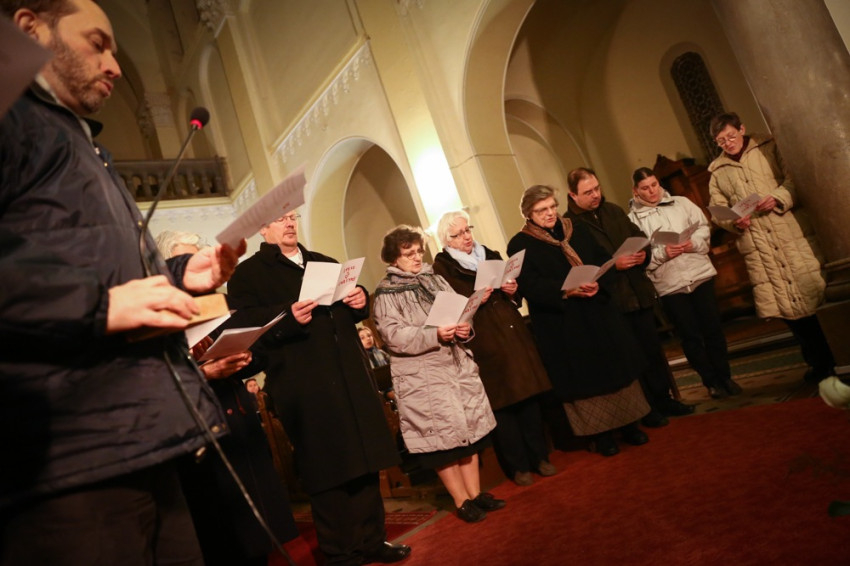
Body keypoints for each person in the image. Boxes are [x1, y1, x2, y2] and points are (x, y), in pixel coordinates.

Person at [0, 1, 246, 564]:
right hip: (64, 456)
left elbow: (91, 264)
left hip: (139, 433)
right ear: (30, 29)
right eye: (98, 43)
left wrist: (181, 276)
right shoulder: (12, 118)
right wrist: (96, 306)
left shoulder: (81, 144)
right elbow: (98, 296)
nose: (114, 64)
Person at [225, 210, 409, 565]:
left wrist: (359, 300)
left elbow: (347, 306)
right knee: (328, 468)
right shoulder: (248, 274)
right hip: (303, 383)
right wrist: (288, 316)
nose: (289, 223)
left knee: (366, 460)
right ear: (263, 228)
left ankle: (373, 540)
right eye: (280, 218)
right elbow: (246, 326)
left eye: (292, 216)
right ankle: (341, 552)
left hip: (349, 374)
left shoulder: (322, 261)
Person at [158, 232, 299, 566]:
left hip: (239, 421)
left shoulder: (220, 304)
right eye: (183, 261)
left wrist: (247, 357)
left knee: (257, 524)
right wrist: (206, 372)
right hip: (197, 429)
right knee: (220, 530)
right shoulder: (161, 316)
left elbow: (260, 352)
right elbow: (159, 379)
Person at [372, 225, 505, 522]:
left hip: (455, 367)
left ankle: (475, 494)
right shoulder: (386, 292)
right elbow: (394, 336)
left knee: (469, 433)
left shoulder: (435, 279)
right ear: (393, 258)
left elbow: (461, 311)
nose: (416, 257)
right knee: (443, 443)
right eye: (408, 253)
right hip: (423, 376)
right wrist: (434, 334)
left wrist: (464, 326)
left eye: (419, 251)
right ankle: (461, 501)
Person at [507, 185, 651, 457]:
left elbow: (603, 260)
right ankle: (601, 435)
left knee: (617, 368)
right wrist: (566, 290)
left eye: (552, 207)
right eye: (541, 210)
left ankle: (631, 425)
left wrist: (599, 280)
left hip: (599, 310)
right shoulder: (519, 244)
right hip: (564, 323)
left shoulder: (577, 229)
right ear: (528, 214)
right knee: (586, 379)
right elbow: (530, 285)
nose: (550, 214)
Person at [708, 112, 835, 383]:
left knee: (815, 295)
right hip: (759, 244)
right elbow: (717, 210)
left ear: (742, 129)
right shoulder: (717, 172)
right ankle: (817, 363)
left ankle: (837, 356)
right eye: (721, 141)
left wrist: (777, 197)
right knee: (786, 307)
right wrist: (733, 221)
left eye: (731, 136)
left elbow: (794, 179)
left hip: (789, 233)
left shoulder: (769, 147)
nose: (728, 143)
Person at [433, 210, 555, 486]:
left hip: (512, 333)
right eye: (458, 234)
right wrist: (475, 298)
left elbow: (515, 290)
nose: (466, 237)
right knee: (502, 407)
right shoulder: (442, 269)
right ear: (446, 240)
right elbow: (448, 308)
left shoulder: (489, 254)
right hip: (483, 340)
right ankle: (518, 467)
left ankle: (540, 457)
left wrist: (512, 290)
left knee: (529, 398)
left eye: (468, 230)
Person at [565, 167, 694, 425]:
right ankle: (646, 409)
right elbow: (583, 266)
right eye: (588, 192)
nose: (595, 195)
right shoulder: (570, 225)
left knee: (653, 352)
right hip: (611, 300)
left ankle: (664, 399)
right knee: (631, 358)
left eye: (597, 188)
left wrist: (643, 254)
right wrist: (615, 265)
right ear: (573, 195)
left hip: (637, 291)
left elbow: (638, 236)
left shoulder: (612, 210)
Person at [628, 168, 738, 400]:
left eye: (654, 184)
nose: (652, 191)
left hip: (699, 274)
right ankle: (711, 381)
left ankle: (725, 376)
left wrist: (693, 243)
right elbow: (639, 257)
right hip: (670, 284)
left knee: (714, 330)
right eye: (645, 188)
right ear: (635, 191)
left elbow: (703, 228)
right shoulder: (632, 220)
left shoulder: (682, 203)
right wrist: (663, 253)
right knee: (690, 337)